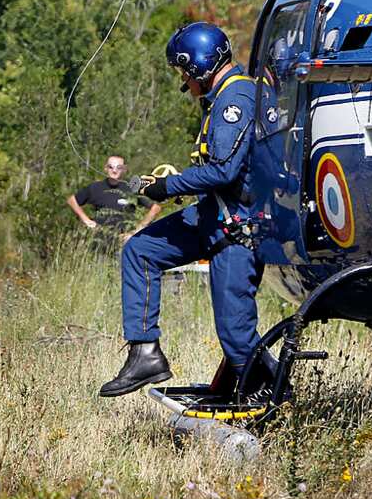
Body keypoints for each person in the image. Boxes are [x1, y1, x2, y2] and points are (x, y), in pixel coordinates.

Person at [100, 22, 264, 398]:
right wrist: (162, 185)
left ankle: (270, 393)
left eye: (184, 73)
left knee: (236, 339)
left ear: (201, 66)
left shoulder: (236, 99)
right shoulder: (220, 97)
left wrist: (166, 187)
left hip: (236, 228)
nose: (184, 84)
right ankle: (145, 355)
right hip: (211, 215)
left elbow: (224, 171)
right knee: (140, 250)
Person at [67, 156, 162, 242]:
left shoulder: (132, 188)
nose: (114, 171)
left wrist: (136, 231)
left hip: (125, 242)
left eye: (119, 167)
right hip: (99, 242)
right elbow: (72, 200)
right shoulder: (95, 188)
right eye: (110, 167)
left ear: (124, 169)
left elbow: (156, 208)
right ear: (105, 168)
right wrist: (86, 220)